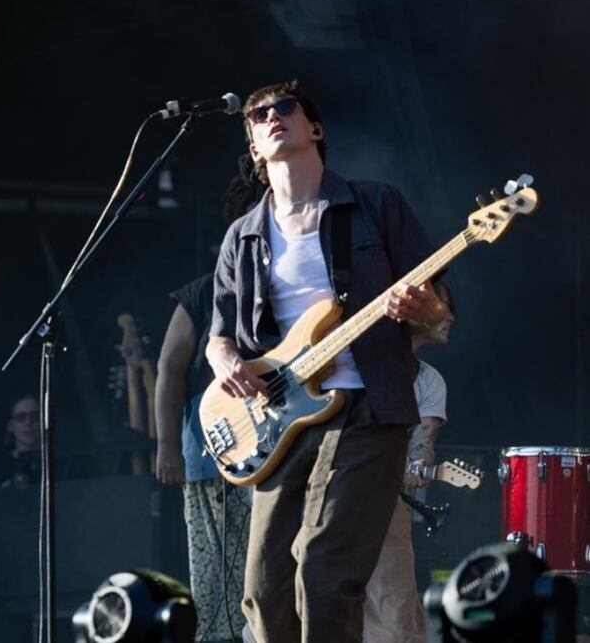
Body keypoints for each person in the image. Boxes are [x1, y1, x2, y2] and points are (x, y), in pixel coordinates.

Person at [205, 80, 451, 642]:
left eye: (284, 107)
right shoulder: (243, 237)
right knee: (264, 590)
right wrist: (226, 364)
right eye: (259, 115)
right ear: (253, 149)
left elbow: (439, 311)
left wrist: (425, 308)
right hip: (280, 420)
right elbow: (219, 337)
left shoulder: (376, 204)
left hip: (366, 406)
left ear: (315, 129)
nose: (272, 116)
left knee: (324, 575)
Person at [154, 155, 263, 643]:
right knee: (216, 576)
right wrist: (166, 446)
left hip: (279, 442)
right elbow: (169, 369)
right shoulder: (202, 293)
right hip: (212, 447)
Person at [363, 281, 455, 643]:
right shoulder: (361, 359)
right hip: (323, 485)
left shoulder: (429, 380)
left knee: (394, 600)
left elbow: (422, 445)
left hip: (381, 496)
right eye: (442, 306)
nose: (452, 317)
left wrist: (420, 466)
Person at [0, 395, 42, 488]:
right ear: (10, 425)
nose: (28, 423)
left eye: (34, 416)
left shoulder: (60, 462)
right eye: (20, 417)